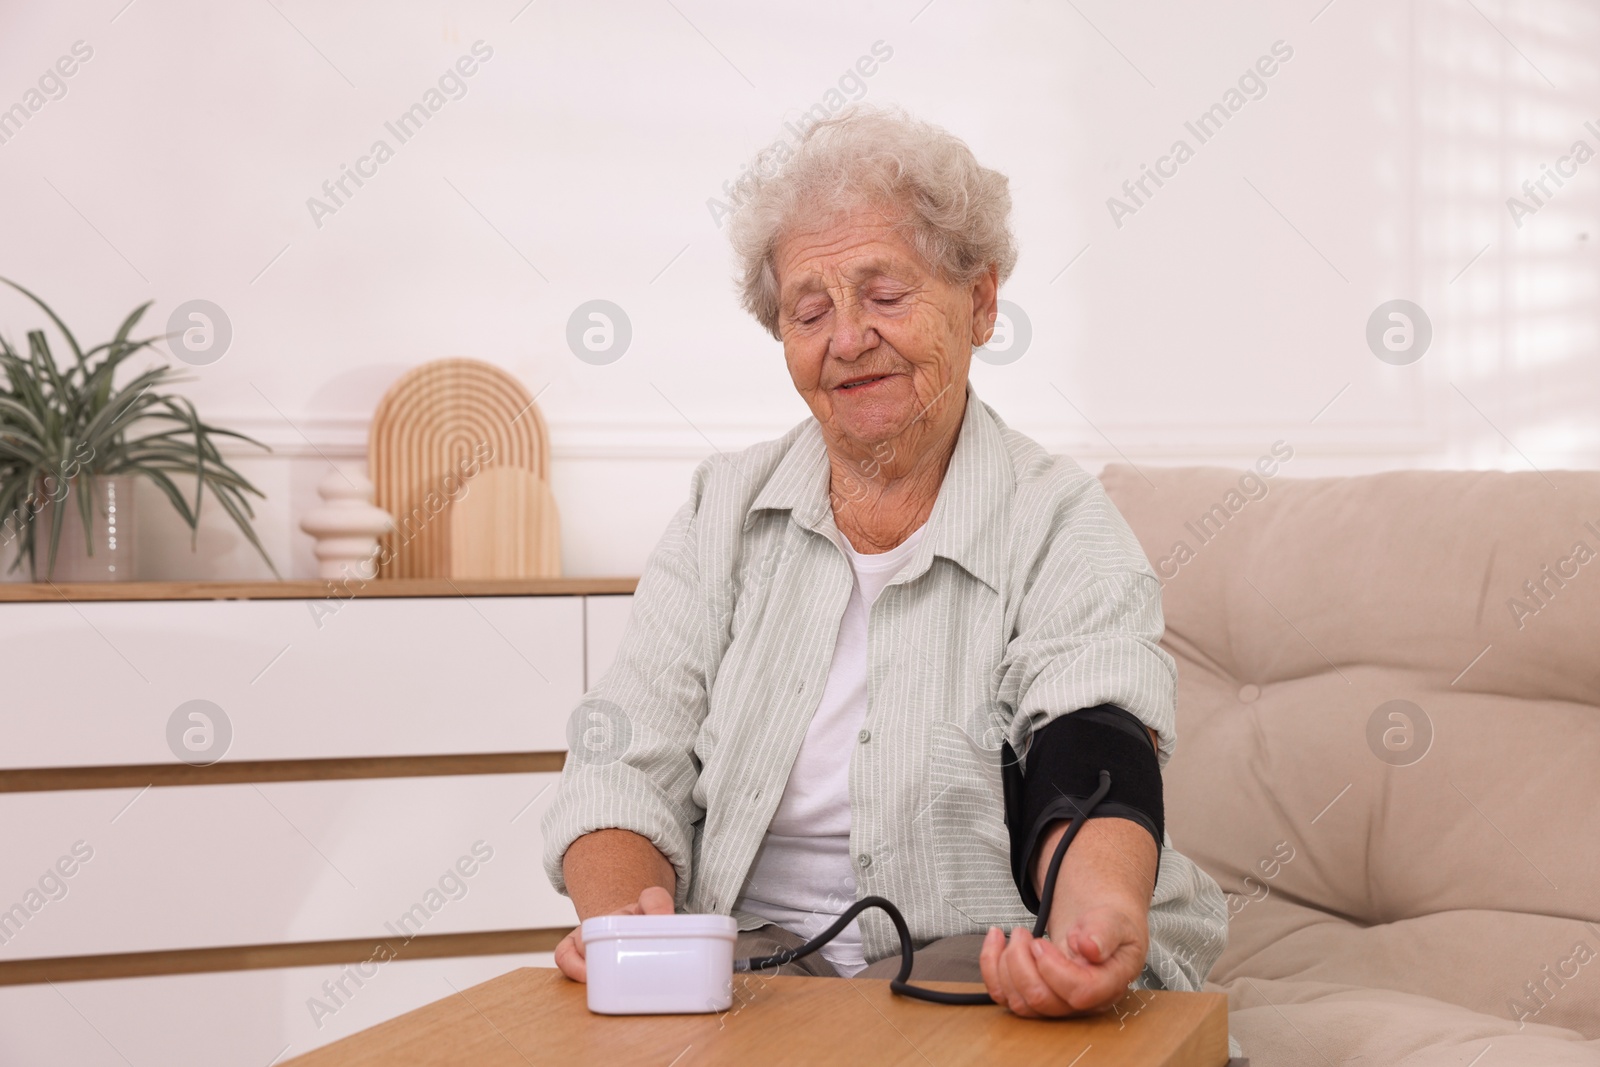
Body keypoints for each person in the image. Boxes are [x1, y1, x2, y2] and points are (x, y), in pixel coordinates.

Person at [542, 105, 1226, 1017]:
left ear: (981, 302)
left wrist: (1088, 930)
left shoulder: (1057, 518)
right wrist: (637, 926)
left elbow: (1090, 751)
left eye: (886, 296)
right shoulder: (724, 512)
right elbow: (623, 761)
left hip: (986, 956)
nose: (848, 338)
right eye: (810, 310)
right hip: (749, 972)